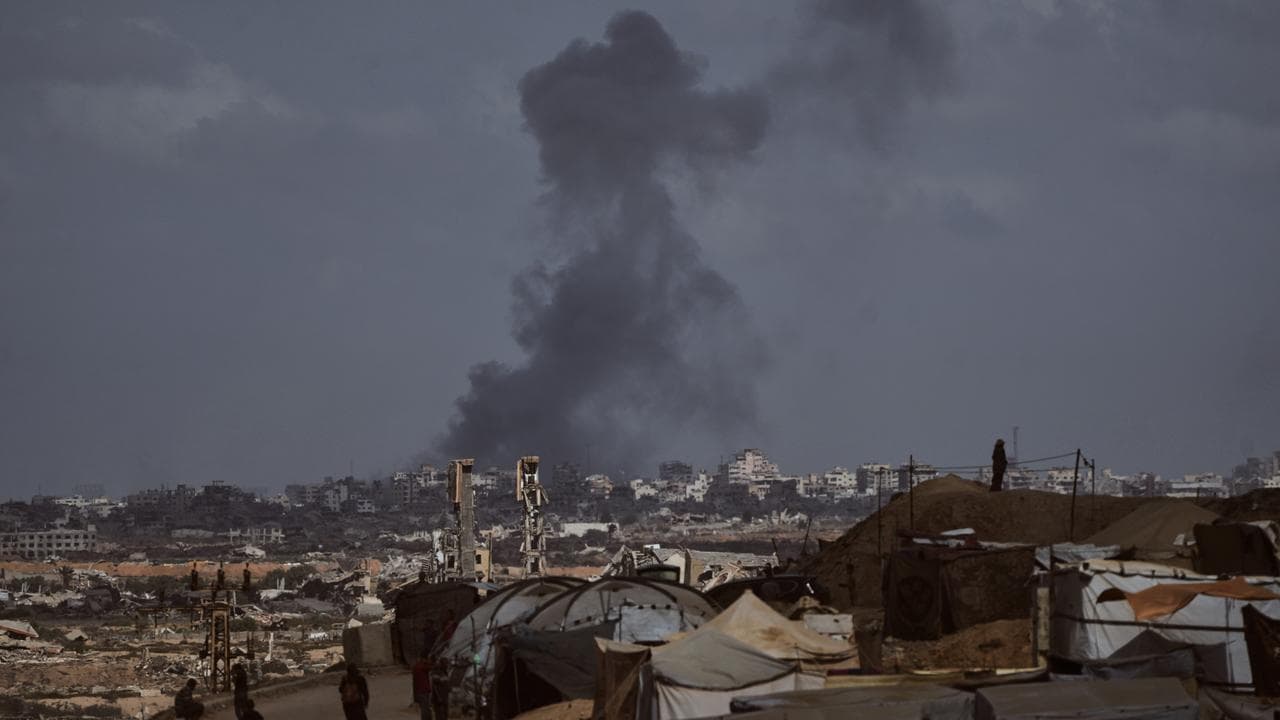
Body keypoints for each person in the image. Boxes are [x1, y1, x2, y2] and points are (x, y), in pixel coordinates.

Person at [412, 651, 433, 720]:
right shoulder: (422, 666)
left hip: (419, 691)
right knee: (425, 709)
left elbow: (414, 682)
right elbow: (430, 667)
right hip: (424, 690)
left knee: (425, 708)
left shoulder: (416, 667)